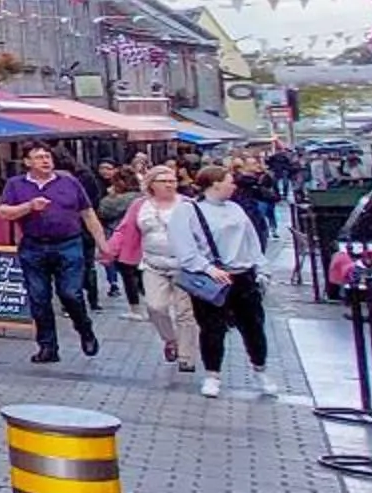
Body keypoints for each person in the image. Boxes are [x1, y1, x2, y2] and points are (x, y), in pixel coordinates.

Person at [0, 146, 104, 364]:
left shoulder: (69, 182)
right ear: (27, 162)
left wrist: (103, 243)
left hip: (68, 244)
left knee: (71, 293)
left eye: (47, 157)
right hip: (33, 246)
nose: (45, 161)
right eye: (39, 158)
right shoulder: (16, 184)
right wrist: (29, 206)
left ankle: (85, 330)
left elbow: (88, 213)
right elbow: (4, 212)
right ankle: (48, 347)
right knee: (39, 298)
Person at [179, 165, 273, 399]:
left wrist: (261, 268)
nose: (234, 186)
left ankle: (260, 369)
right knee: (212, 328)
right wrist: (207, 268)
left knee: (253, 326)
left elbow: (252, 241)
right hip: (212, 279)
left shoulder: (236, 209)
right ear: (215, 184)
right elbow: (184, 248)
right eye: (230, 181)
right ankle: (212, 374)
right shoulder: (190, 211)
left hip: (243, 275)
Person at [123, 163, 201, 372]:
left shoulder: (188, 205)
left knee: (185, 312)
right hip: (153, 263)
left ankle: (186, 356)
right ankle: (170, 339)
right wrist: (108, 250)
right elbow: (126, 230)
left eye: (172, 181)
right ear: (151, 184)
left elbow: (202, 234)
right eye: (164, 181)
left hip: (184, 265)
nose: (169, 185)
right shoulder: (140, 205)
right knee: (155, 306)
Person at [97, 166, 148, 307]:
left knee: (128, 274)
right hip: (140, 238)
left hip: (119, 237)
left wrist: (110, 195)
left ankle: (135, 305)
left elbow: (102, 212)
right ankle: (146, 298)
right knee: (140, 272)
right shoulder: (143, 198)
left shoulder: (113, 200)